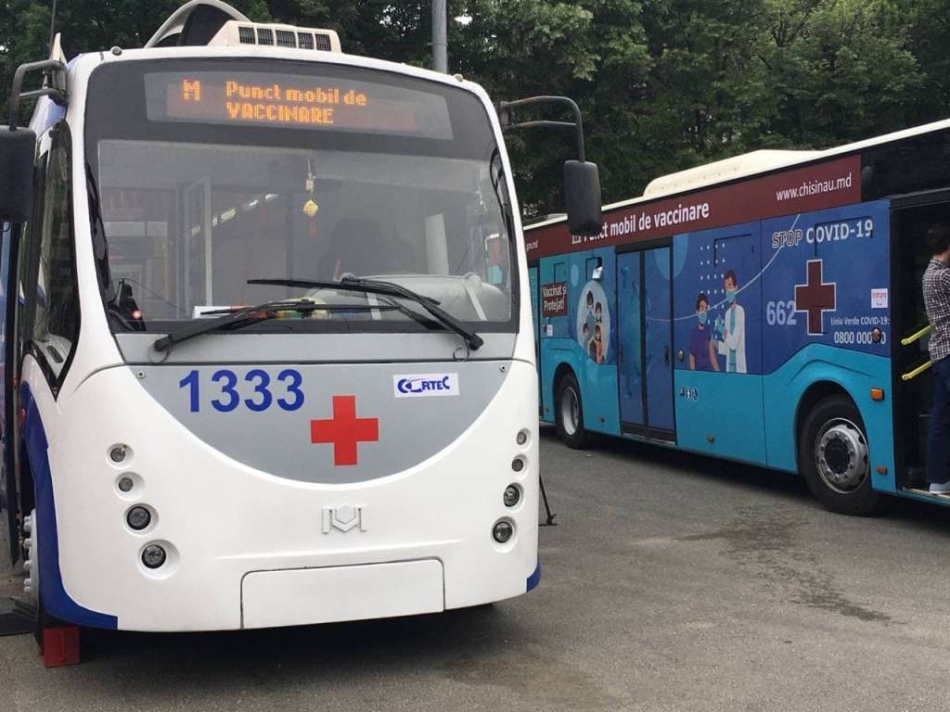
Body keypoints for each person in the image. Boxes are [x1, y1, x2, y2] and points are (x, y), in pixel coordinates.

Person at [922, 223, 950, 494]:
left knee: (940, 420)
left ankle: (938, 480)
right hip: (949, 353)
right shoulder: (944, 276)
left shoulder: (928, 274)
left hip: (939, 353)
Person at [717, 269, 747, 373]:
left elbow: (733, 344)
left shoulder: (740, 311)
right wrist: (713, 342)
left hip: (739, 371)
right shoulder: (727, 314)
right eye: (726, 288)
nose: (728, 291)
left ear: (736, 288)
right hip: (729, 370)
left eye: (730, 286)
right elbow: (727, 348)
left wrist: (722, 330)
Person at [689, 293, 719, 372]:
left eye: (705, 308)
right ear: (697, 312)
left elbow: (712, 358)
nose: (704, 311)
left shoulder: (708, 332)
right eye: (702, 307)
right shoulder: (693, 333)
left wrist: (719, 375)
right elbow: (692, 358)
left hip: (706, 373)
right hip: (697, 374)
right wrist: (693, 375)